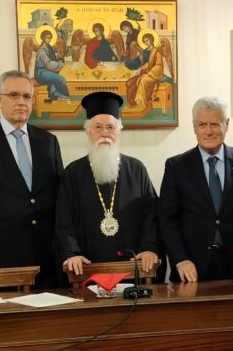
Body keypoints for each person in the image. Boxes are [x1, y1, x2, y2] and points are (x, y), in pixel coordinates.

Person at [0, 70, 64, 289]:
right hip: (3, 256)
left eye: (27, 96)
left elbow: (60, 200)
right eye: (14, 95)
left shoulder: (48, 142)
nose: (21, 102)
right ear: (0, 99)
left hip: (48, 256)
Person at [159, 96, 233, 281]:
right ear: (194, 127)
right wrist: (180, 259)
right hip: (192, 268)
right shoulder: (176, 166)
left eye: (215, 124)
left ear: (226, 124)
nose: (209, 131)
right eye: (202, 125)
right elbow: (167, 220)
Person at [55, 91, 161, 277]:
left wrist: (149, 248)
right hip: (86, 270)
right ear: (88, 131)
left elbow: (152, 215)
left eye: (111, 127)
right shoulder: (73, 173)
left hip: (133, 269)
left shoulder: (137, 169)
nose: (105, 133)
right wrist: (72, 253)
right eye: (98, 127)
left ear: (119, 131)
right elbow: (64, 220)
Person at [124, 31, 164, 113]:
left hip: (152, 75)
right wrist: (127, 63)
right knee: (130, 82)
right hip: (143, 73)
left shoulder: (156, 51)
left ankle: (142, 103)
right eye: (145, 41)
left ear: (151, 40)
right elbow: (137, 61)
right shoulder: (144, 51)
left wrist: (149, 72)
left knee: (143, 81)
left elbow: (159, 65)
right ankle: (132, 104)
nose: (146, 42)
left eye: (147, 40)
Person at [34, 30, 72, 103]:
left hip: (46, 71)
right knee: (60, 79)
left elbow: (52, 59)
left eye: (50, 38)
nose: (49, 39)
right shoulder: (42, 51)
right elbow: (48, 64)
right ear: (43, 38)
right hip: (41, 73)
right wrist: (60, 64)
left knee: (57, 77)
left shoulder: (48, 48)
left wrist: (60, 60)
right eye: (47, 37)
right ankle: (66, 98)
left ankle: (54, 97)